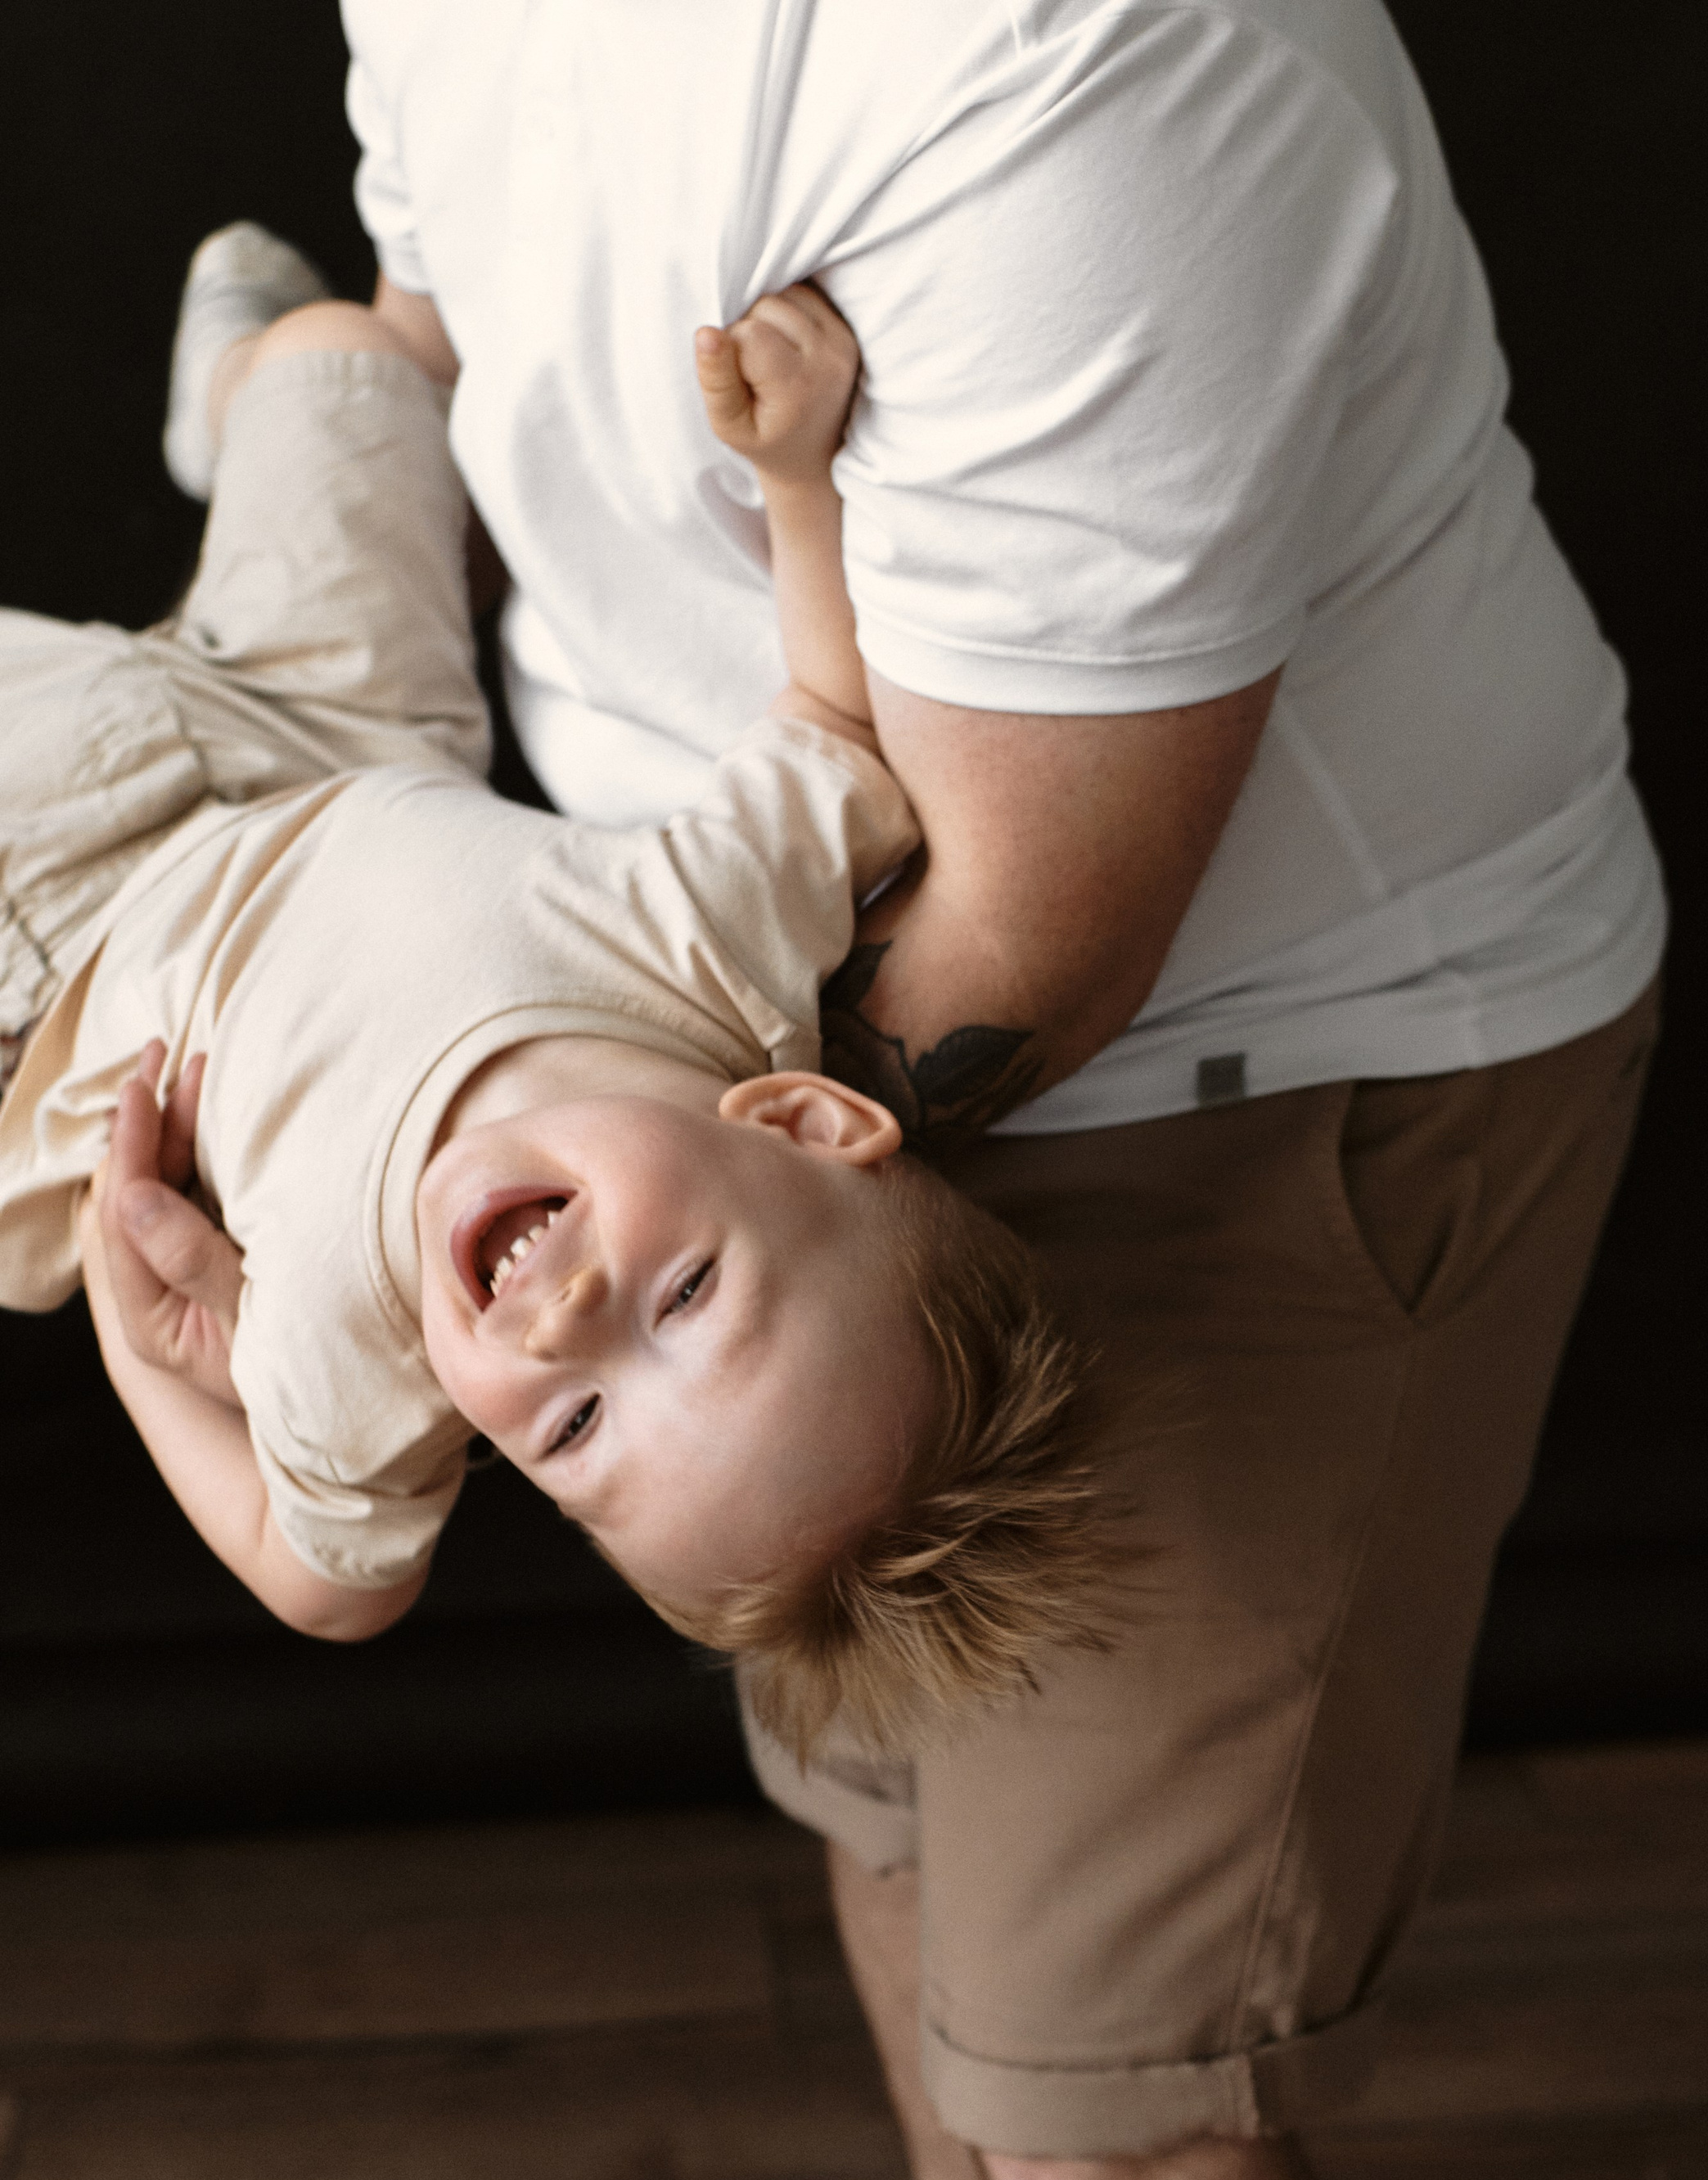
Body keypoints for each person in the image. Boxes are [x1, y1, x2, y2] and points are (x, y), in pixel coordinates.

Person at [344, 2, 1669, 2180]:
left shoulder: (1078, 55)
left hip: (1239, 1072)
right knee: (890, 1803)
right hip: (721, 1090)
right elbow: (444, 309)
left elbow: (1010, 964)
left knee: (1112, 2123)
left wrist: (429, 1099)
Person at [0, 232, 1117, 1746]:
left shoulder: (357, 1349)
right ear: (797, 1116)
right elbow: (836, 718)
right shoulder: (706, 949)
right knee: (351, 364)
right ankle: (239, 395)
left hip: (54, 964)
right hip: (324, 727)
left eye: (578, 1429)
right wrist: (797, 479)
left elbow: (330, 1587)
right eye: (688, 1294)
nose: (565, 1327)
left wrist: (147, 1352)